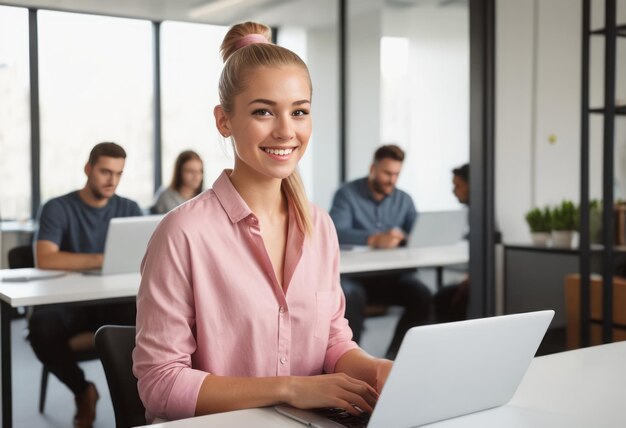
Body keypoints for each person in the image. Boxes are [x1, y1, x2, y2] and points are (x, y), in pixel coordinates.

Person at [133, 22, 392, 423]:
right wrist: (290, 387)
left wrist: (376, 369)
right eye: (263, 111)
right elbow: (160, 385)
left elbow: (334, 341)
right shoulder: (182, 233)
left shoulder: (319, 227)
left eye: (299, 111)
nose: (286, 131)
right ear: (224, 121)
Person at [31, 142, 142, 428]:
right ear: (88, 168)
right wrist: (105, 258)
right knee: (41, 329)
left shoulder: (130, 208)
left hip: (116, 302)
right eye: (105, 171)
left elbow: (143, 258)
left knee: (151, 321)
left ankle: (139, 408)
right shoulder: (58, 207)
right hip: (71, 305)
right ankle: (84, 391)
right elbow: (45, 258)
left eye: (118, 174)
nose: (111, 180)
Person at [329, 145, 432, 359]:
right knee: (350, 296)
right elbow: (335, 230)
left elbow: (417, 233)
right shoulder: (347, 194)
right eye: (387, 173)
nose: (392, 180)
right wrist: (374, 238)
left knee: (421, 294)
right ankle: (350, 363)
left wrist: (403, 237)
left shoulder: (404, 199)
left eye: (396, 174)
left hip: (390, 278)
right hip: (356, 279)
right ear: (372, 169)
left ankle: (397, 359)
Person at [434, 163, 470, 323]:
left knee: (443, 296)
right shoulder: (470, 212)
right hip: (468, 274)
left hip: (474, 278)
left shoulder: (483, 212)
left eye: (458, 185)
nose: (453, 191)